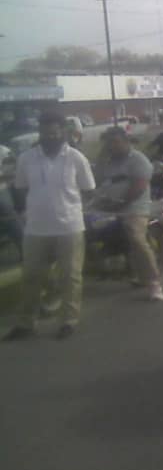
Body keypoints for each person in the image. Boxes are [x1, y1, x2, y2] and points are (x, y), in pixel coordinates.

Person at [4, 111, 95, 340]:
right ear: (40, 132)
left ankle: (68, 321)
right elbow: (22, 188)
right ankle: (26, 323)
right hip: (36, 229)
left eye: (54, 132)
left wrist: (69, 209)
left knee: (71, 276)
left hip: (70, 227)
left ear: (62, 131)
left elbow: (88, 190)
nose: (50, 136)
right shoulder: (26, 158)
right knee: (31, 276)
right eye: (45, 132)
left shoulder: (76, 158)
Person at [97, 127, 163, 301]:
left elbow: (139, 187)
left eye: (116, 142)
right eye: (108, 143)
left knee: (136, 238)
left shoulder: (138, 159)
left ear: (126, 142)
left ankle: (154, 283)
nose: (112, 146)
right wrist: (100, 157)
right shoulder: (108, 161)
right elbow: (95, 179)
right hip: (106, 206)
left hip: (134, 208)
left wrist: (120, 204)